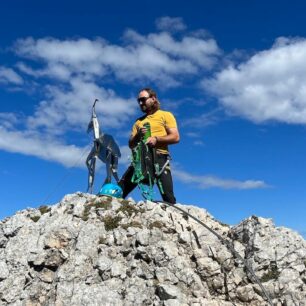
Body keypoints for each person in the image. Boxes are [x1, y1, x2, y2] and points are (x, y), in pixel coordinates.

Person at [118, 87, 180, 204]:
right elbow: (131, 144)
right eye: (139, 101)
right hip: (140, 160)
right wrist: (137, 136)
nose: (141, 103)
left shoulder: (165, 115)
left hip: (160, 158)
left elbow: (175, 137)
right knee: (121, 189)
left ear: (153, 98)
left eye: (143, 99)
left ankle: (172, 214)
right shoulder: (138, 122)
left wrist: (157, 139)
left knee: (168, 197)